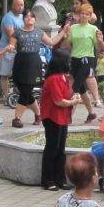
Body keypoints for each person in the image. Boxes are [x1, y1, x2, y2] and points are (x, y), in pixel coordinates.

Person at [9, 9, 61, 128]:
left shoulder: (39, 32)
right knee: (25, 91)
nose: (29, 18)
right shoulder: (17, 32)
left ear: (35, 19)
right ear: (23, 19)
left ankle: (17, 118)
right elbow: (11, 45)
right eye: (26, 16)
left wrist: (63, 32)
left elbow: (52, 42)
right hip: (20, 63)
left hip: (33, 64)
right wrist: (10, 48)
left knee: (26, 90)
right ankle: (38, 115)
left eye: (31, 16)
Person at [40, 49, 81, 191]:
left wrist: (73, 98)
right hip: (52, 117)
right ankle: (48, 180)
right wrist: (73, 102)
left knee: (61, 150)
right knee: (52, 149)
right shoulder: (54, 79)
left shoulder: (63, 78)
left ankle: (60, 179)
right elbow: (59, 101)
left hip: (61, 117)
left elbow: (66, 97)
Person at [60, 4, 103, 123]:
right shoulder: (73, 28)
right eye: (82, 13)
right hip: (75, 59)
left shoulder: (93, 29)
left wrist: (100, 41)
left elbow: (98, 47)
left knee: (75, 87)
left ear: (90, 16)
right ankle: (91, 113)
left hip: (87, 59)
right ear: (79, 15)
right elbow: (68, 45)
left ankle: (68, 116)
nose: (84, 16)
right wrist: (65, 36)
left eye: (86, 14)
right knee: (82, 89)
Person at [0, 0, 24, 103]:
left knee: (17, 73)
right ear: (13, 6)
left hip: (18, 50)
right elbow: (12, 35)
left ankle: (15, 95)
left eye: (22, 5)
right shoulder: (8, 18)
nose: (21, 7)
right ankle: (6, 97)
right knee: (5, 74)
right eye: (18, 5)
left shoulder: (22, 17)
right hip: (7, 49)